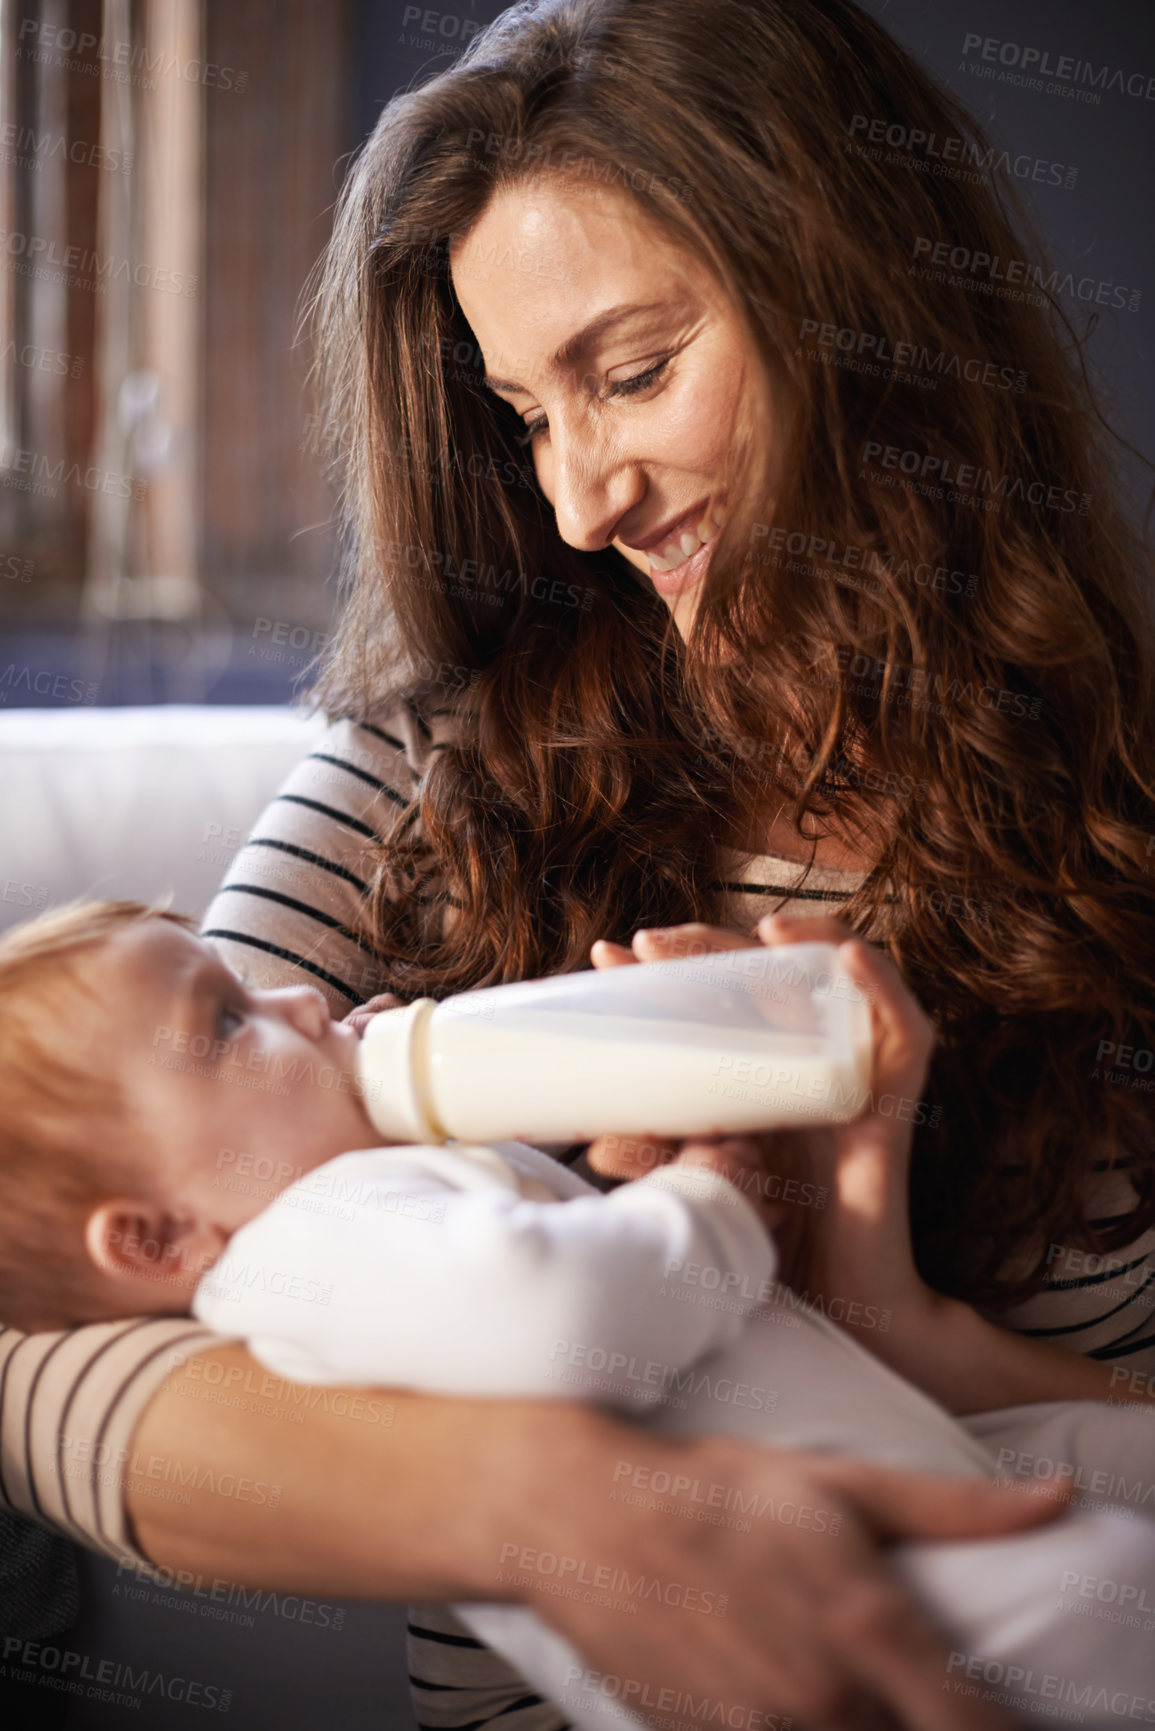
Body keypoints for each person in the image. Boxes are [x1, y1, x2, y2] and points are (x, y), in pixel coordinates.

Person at [0, 1, 1149, 1727]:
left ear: (864, 308)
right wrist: (553, 1508)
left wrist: (878, 1312)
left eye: (632, 371)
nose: (577, 505)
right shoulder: (432, 768)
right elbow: (40, 1334)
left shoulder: (1122, 797)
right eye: (525, 413)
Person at [0, 896, 1152, 1731]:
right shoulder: (307, 1237)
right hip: (835, 1589)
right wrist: (709, 1197)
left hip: (900, 1469)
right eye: (226, 1023)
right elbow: (550, 1316)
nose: (302, 996)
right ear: (154, 1239)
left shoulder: (355, 1201)